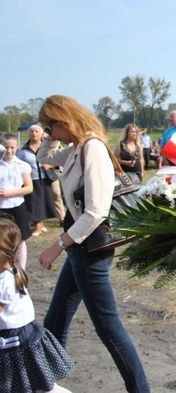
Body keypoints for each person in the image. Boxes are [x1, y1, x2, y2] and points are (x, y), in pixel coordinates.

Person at [37, 95, 151, 392]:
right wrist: (48, 138)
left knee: (108, 327)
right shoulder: (75, 148)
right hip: (79, 248)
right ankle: (44, 381)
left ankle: (141, 390)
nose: (49, 134)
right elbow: (44, 159)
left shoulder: (93, 148)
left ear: (64, 120)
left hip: (90, 250)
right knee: (57, 317)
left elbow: (96, 211)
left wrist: (57, 245)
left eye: (50, 127)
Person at [0, 217, 74, 393]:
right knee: (38, 384)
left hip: (16, 340)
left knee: (25, 384)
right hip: (26, 334)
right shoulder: (13, 269)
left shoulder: (4, 281)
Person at [17, 125, 58, 236]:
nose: (34, 134)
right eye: (31, 132)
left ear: (41, 134)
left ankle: (42, 224)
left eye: (36, 131)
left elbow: (57, 159)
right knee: (34, 203)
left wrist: (49, 165)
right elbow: (19, 163)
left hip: (46, 178)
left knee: (44, 202)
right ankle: (37, 227)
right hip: (31, 179)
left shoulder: (46, 147)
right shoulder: (23, 150)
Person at [0, 133, 33, 269]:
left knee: (21, 239)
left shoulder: (22, 165)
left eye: (12, 147)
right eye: (6, 147)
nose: (9, 150)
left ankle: (21, 269)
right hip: (1, 207)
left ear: (17, 147)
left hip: (17, 205)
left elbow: (29, 188)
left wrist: (10, 193)